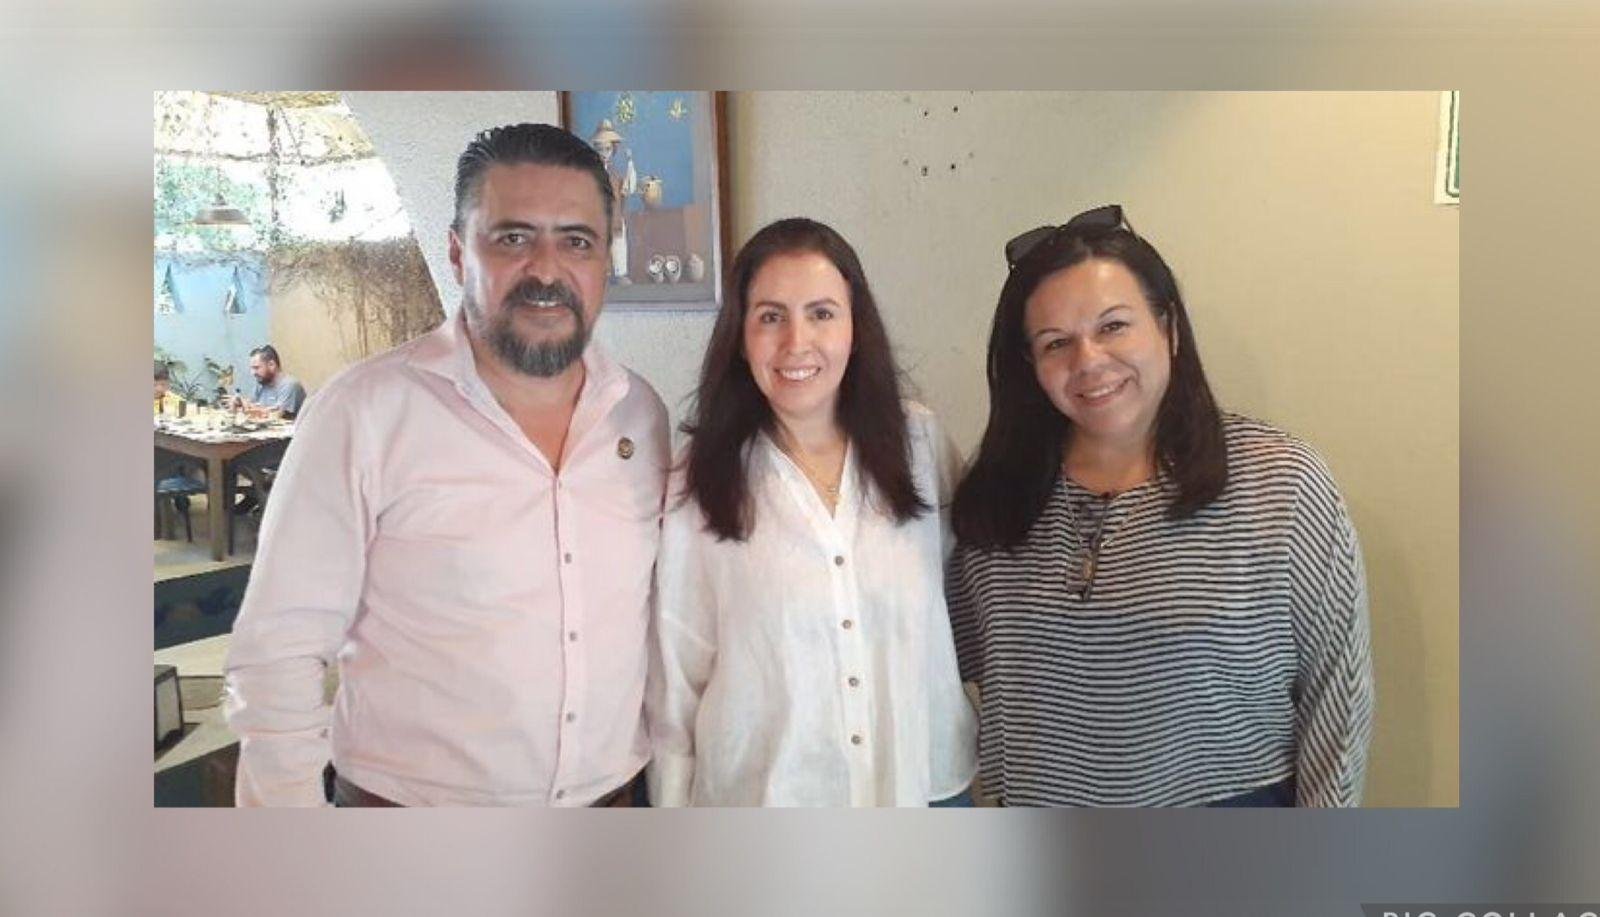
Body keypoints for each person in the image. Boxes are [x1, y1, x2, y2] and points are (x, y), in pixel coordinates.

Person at [223, 123, 670, 807]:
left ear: (605, 258)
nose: (547, 270)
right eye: (513, 238)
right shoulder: (364, 413)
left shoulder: (639, 414)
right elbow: (278, 650)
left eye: (576, 241)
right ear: (459, 253)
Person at [946, 204, 1374, 807]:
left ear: (1168, 328)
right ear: (1031, 366)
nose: (1088, 361)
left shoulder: (1279, 481)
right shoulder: (995, 495)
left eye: (1114, 326)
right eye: (1056, 343)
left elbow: (1340, 693)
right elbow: (963, 679)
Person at [647, 217, 977, 807]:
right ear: (740, 336)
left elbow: (963, 598)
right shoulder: (697, 477)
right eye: (770, 317)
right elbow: (677, 677)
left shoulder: (921, 445)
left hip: (921, 785)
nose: (796, 342)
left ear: (855, 328)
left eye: (822, 313)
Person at [238, 344, 307, 418]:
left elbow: (277, 416)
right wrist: (241, 405)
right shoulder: (261, 383)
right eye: (251, 368)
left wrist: (251, 409)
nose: (253, 373)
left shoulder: (290, 385)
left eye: (256, 368)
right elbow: (251, 408)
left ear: (271, 365)